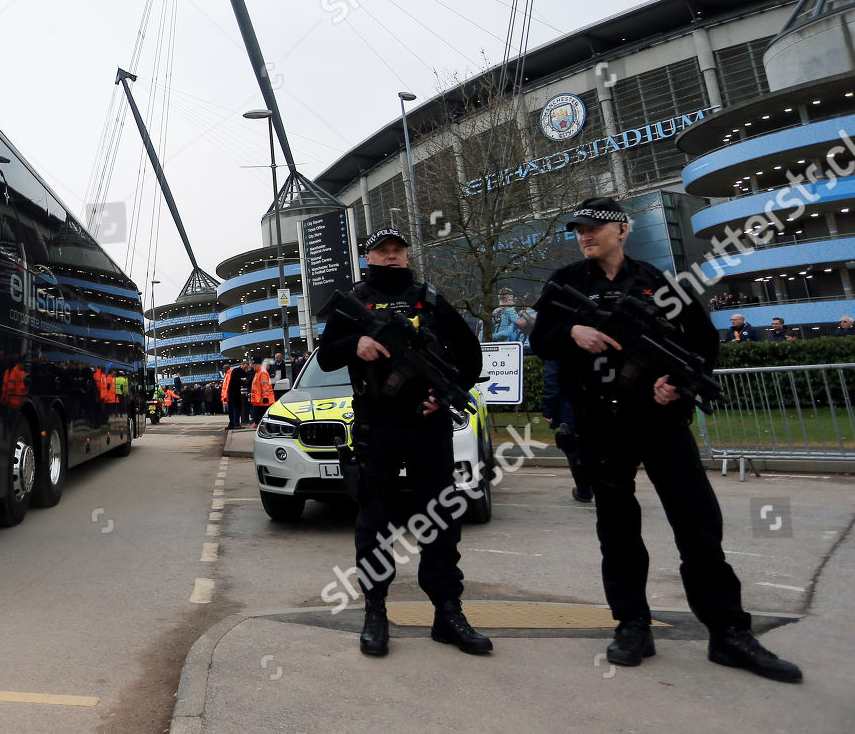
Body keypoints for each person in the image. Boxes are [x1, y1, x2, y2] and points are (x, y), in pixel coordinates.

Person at [532, 197, 801, 683]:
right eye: (578, 230)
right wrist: (573, 330)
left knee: (698, 525)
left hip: (659, 420)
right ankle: (632, 625)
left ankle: (728, 633)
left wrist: (676, 385)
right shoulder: (566, 282)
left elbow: (702, 343)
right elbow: (541, 341)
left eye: (594, 228)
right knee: (618, 532)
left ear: (622, 230)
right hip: (600, 424)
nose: (584, 235)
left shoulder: (660, 283)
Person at [329, 227, 490, 659]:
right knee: (374, 520)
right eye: (384, 251)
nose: (393, 256)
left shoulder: (429, 298)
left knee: (440, 517)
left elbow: (469, 353)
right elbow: (327, 353)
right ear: (368, 257)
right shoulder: (355, 301)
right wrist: (356, 343)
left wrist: (446, 392)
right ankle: (376, 610)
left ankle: (447, 612)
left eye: (399, 250)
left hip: (427, 424)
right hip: (376, 425)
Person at [541, 360, 591, 503]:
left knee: (574, 450)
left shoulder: (560, 344)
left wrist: (548, 409)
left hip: (571, 409)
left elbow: (552, 379)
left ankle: (584, 490)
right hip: (600, 407)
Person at [225, 359, 253, 429]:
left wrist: (243, 379)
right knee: (235, 409)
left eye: (247, 367)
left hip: (236, 392)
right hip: (233, 393)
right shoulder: (235, 371)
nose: (246, 369)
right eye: (245, 367)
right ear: (242, 365)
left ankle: (234, 423)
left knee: (235, 409)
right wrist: (242, 380)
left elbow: (247, 380)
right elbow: (235, 380)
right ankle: (235, 423)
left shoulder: (245, 372)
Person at [248, 360, 274, 425]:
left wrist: (265, 397)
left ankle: (260, 425)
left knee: (263, 415)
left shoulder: (262, 373)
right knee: (258, 414)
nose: (252, 367)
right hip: (258, 400)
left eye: (253, 365)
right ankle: (257, 423)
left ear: (257, 364)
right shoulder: (258, 372)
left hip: (263, 400)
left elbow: (265, 386)